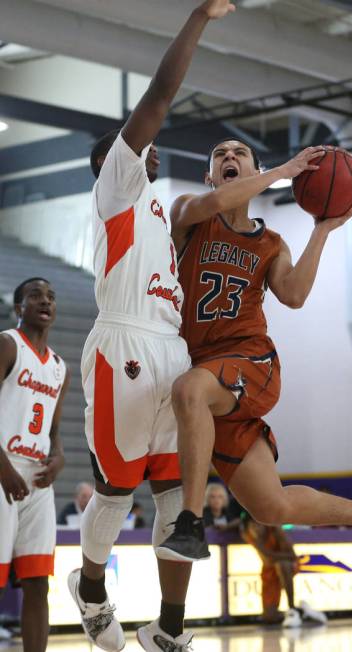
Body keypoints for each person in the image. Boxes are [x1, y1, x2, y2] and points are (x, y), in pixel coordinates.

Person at [156, 139, 352, 564]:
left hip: (250, 361)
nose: (229, 157)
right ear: (209, 176)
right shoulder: (189, 213)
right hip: (210, 377)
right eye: (220, 154)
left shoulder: (272, 244)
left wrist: (321, 229)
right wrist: (282, 172)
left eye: (239, 153)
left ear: (254, 168)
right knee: (270, 507)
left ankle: (190, 523)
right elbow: (212, 203)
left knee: (188, 390)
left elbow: (295, 294)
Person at [66, 3, 236, 652]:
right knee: (116, 488)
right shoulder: (116, 188)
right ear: (116, 161)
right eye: (140, 145)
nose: (152, 147)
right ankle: (87, 585)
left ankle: (167, 628)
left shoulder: (159, 216)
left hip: (171, 350)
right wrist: (197, 18)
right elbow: (160, 98)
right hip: (125, 346)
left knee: (176, 498)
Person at [0, 278, 69, 652]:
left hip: (38, 479)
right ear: (18, 308)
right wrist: (4, 470)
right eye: (35, 296)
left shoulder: (60, 368)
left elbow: (55, 431)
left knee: (38, 579)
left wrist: (59, 458)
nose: (45, 301)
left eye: (51, 297)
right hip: (3, 467)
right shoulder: (7, 343)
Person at [240, 514, 326, 627]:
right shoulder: (247, 534)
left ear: (264, 525)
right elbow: (268, 560)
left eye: (258, 525)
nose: (256, 528)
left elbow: (292, 556)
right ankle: (303, 612)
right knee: (269, 617)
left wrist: (270, 555)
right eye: (253, 526)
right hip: (268, 571)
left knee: (282, 565)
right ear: (248, 527)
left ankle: (292, 609)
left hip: (289, 565)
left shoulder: (276, 530)